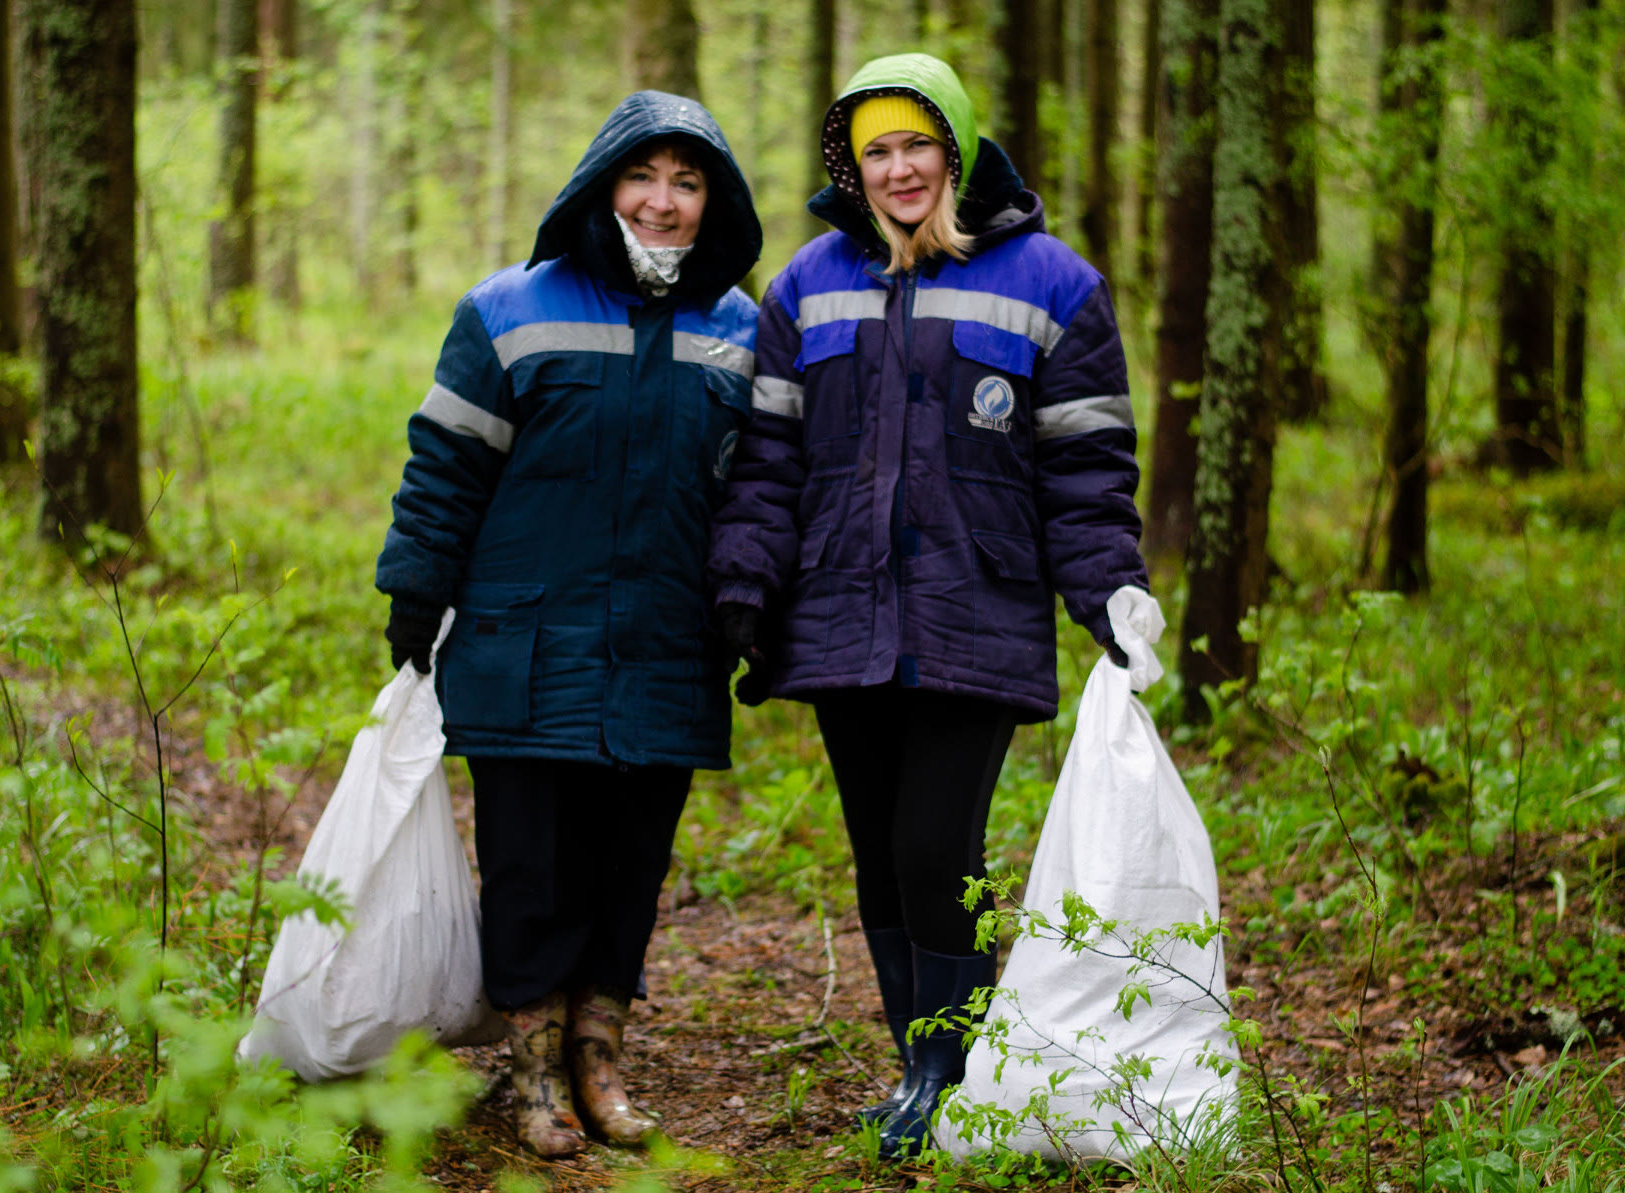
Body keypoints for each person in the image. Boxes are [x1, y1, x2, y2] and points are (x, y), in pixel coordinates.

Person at [706, 53, 1163, 1158]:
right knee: (876, 849)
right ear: (850, 166)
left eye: (919, 145)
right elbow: (768, 462)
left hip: (978, 607)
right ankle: (925, 1059)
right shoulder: (806, 285)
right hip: (841, 611)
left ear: (955, 154)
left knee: (932, 842)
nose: (899, 168)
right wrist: (744, 588)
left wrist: (1111, 593)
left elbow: (1088, 469)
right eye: (877, 150)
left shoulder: (1055, 283)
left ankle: (949, 1067)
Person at [375, 92, 760, 1158]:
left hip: (668, 645)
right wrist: (418, 585)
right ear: (603, 183)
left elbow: (763, 493)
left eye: (690, 183)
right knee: (532, 860)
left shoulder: (741, 330)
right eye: (646, 177)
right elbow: (445, 466)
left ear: (713, 201)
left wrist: (755, 609)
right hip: (524, 640)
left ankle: (600, 1056)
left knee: (630, 862)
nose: (665, 201)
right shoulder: (507, 309)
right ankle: (533, 1068)